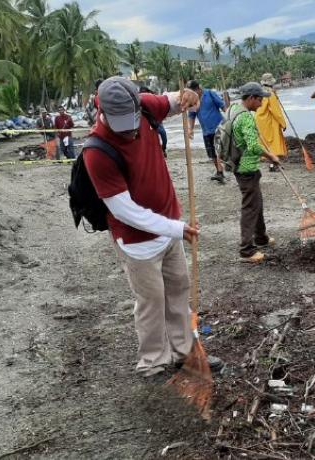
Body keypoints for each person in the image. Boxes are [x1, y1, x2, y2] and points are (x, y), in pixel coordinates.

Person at [82, 76, 223, 378]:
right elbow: (126, 212)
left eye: (132, 121)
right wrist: (176, 228)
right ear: (102, 111)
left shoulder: (146, 106)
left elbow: (175, 100)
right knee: (151, 301)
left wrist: (187, 97)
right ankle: (153, 361)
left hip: (170, 228)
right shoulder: (97, 150)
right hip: (138, 241)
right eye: (121, 124)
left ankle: (184, 353)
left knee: (178, 291)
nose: (130, 130)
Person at [230, 82, 282, 263]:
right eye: (259, 99)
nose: (261, 103)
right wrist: (271, 157)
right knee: (250, 207)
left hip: (239, 165)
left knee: (256, 202)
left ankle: (261, 237)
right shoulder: (246, 117)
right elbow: (252, 146)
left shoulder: (233, 109)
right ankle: (246, 250)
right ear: (251, 98)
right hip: (246, 168)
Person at [186, 80, 226, 181]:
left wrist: (231, 117)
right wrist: (190, 129)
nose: (192, 94)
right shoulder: (192, 99)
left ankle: (223, 170)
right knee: (212, 152)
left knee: (221, 150)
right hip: (206, 130)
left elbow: (222, 105)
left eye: (194, 92)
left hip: (219, 127)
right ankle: (219, 172)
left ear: (198, 89)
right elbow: (191, 115)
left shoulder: (210, 94)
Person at [255, 73, 287, 169]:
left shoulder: (260, 92)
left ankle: (273, 163)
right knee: (273, 143)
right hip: (269, 121)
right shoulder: (270, 94)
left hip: (260, 121)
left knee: (266, 143)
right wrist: (283, 123)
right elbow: (276, 111)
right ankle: (273, 164)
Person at [139, 86, 168, 157]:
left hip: (155, 120)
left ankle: (163, 148)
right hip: (144, 122)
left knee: (162, 132)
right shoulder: (138, 101)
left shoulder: (154, 99)